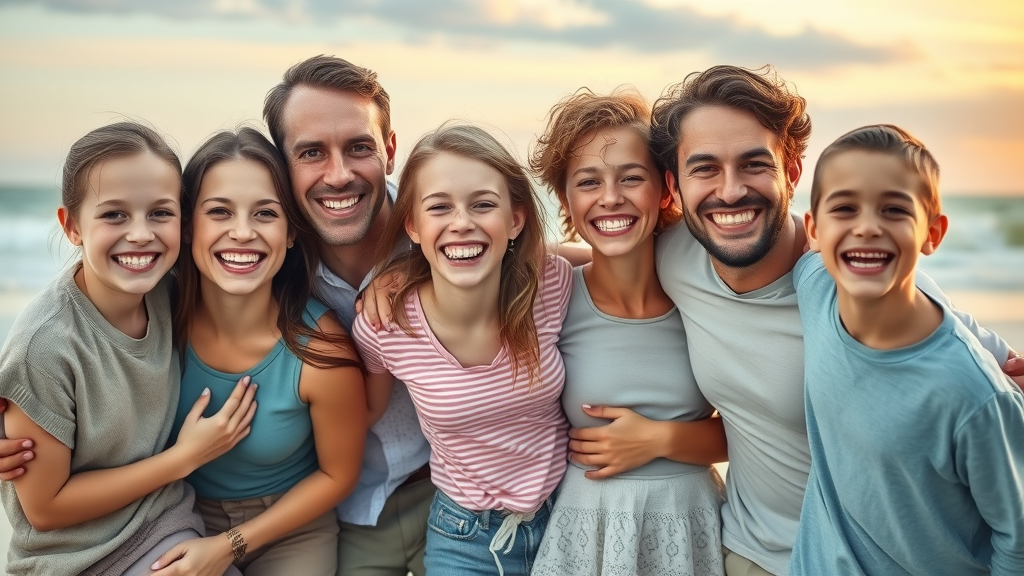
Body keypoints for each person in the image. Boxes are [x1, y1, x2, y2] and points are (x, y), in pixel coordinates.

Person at [631, 64, 1021, 576]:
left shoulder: (847, 279)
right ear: (674, 184)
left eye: (754, 164)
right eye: (704, 168)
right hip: (747, 552)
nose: (730, 191)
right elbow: (590, 267)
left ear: (792, 172)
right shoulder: (674, 255)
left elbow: (978, 367)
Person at [0, 122, 255, 576]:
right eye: (114, 215)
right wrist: (183, 459)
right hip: (74, 560)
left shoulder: (171, 291)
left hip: (164, 528)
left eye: (160, 213)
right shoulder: (46, 348)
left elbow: (269, 263)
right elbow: (46, 508)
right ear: (72, 226)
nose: (140, 234)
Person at [789, 125, 1024, 575]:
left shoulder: (973, 395)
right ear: (814, 230)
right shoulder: (815, 286)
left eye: (894, 209)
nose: (866, 227)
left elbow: (1018, 541)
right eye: (845, 208)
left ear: (932, 233)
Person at [352, 123, 571, 576]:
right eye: (439, 207)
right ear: (412, 225)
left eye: (483, 204)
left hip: (568, 517)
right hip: (464, 536)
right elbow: (364, 413)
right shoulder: (384, 326)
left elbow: (615, 259)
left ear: (516, 219)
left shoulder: (551, 282)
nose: (461, 222)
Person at [148, 128, 367, 575]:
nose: (243, 232)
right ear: (187, 227)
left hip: (290, 529)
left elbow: (338, 475)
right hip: (175, 513)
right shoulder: (150, 316)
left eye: (265, 213)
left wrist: (228, 545)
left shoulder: (320, 348)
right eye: (220, 212)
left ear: (291, 233)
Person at [528, 88, 727, 576]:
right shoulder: (550, 297)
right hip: (587, 530)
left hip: (690, 524)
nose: (610, 197)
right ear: (566, 200)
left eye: (631, 178)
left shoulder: (705, 295)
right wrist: (396, 274)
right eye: (588, 182)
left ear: (665, 190)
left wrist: (659, 439)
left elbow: (756, 434)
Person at [262, 55, 433, 576]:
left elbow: (545, 261)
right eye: (311, 152)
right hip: (346, 515)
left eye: (359, 147)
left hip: (459, 496)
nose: (338, 175)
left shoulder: (447, 232)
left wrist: (422, 268)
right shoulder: (262, 262)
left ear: (390, 150)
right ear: (282, 166)